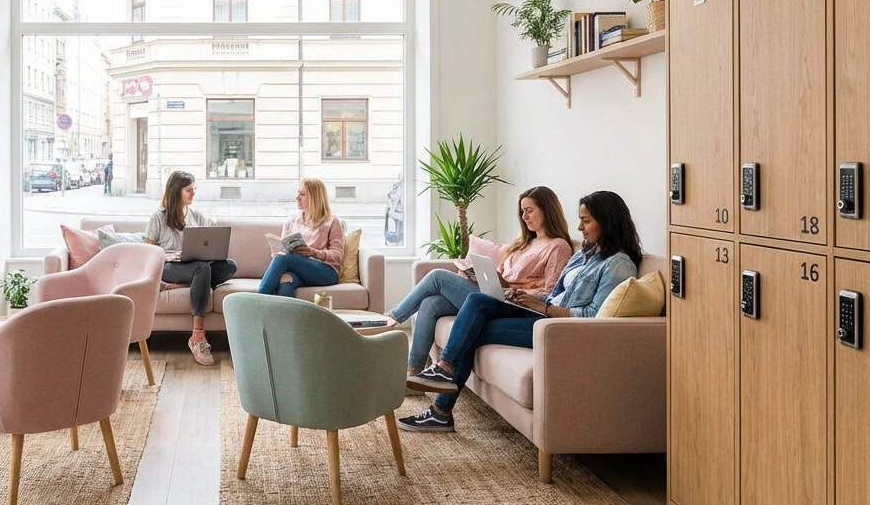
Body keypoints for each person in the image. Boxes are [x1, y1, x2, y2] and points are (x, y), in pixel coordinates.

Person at [398, 190, 642, 432]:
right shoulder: (586, 254)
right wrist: (528, 298)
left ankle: (441, 405)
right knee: (476, 301)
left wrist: (544, 306)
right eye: (580, 220)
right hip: (541, 313)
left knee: (471, 327)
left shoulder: (618, 264)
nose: (579, 227)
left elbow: (592, 316)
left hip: (556, 328)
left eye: (586, 220)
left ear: (609, 222)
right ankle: (443, 375)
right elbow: (558, 292)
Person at [386, 186, 573, 376]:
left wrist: (520, 293)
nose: (524, 216)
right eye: (522, 211)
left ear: (547, 210)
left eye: (529, 210)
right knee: (431, 303)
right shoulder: (524, 242)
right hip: (497, 295)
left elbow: (551, 293)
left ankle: (392, 318)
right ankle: (414, 373)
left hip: (515, 306)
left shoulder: (558, 247)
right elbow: (503, 275)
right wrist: (479, 275)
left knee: (437, 276)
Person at [144, 171, 236, 366]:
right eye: (189, 190)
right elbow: (148, 252)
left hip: (193, 265)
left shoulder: (195, 215)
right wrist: (170, 256)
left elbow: (210, 239)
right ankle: (197, 337)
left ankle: (182, 285)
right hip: (168, 265)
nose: (193, 193)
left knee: (229, 266)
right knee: (202, 270)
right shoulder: (158, 217)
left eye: (194, 189)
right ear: (176, 192)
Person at [257, 178, 344, 299]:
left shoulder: (332, 222)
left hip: (325, 272)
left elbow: (337, 256)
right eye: (298, 193)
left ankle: (257, 301)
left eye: (302, 194)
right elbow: (279, 252)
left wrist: (315, 253)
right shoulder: (291, 221)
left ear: (315, 198)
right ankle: (287, 318)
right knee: (286, 282)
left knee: (283, 258)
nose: (297, 197)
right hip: (298, 270)